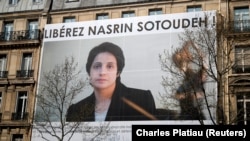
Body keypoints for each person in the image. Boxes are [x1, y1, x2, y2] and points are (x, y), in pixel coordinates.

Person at [66, 42, 157, 121]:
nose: (102, 72)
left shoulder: (142, 100)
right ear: (89, 72)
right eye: (97, 66)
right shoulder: (75, 110)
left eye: (110, 66)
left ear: (118, 72)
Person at [172, 41, 207, 120]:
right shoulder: (186, 73)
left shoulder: (193, 74)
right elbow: (178, 95)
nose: (186, 53)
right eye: (182, 54)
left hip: (192, 115)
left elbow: (204, 60)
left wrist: (192, 45)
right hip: (189, 116)